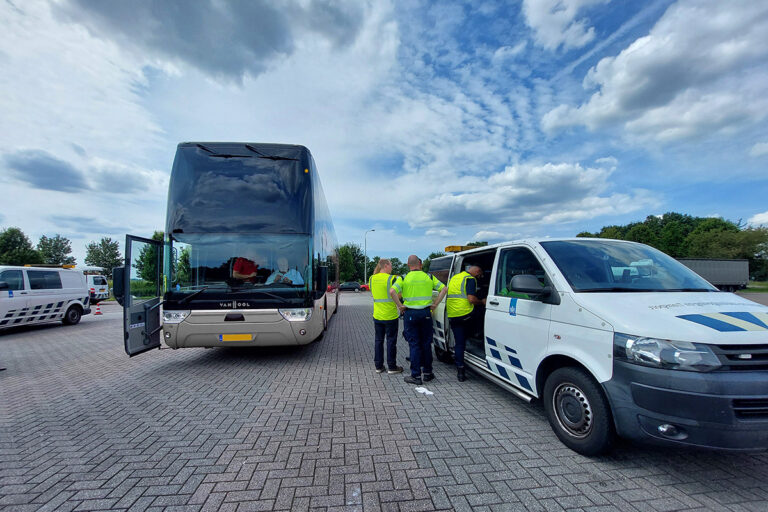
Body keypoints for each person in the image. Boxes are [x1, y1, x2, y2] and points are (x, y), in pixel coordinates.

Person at [390, 255, 447, 385]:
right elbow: (444, 289)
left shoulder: (403, 278)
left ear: (408, 265)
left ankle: (415, 376)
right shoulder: (429, 277)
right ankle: (428, 373)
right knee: (426, 344)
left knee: (414, 344)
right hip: (426, 312)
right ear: (420, 264)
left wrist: (400, 306)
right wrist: (435, 304)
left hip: (410, 314)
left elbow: (392, 291)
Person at [446, 265, 485, 382]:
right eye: (480, 275)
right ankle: (478, 337)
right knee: (481, 313)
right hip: (466, 314)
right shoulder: (470, 279)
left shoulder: (455, 277)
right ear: (477, 271)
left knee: (459, 343)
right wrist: (482, 301)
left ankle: (460, 371)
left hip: (453, 314)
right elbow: (471, 299)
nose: (479, 277)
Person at [369, 259, 404, 375]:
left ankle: (378, 366)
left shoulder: (371, 278)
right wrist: (400, 306)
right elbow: (398, 294)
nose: (392, 268)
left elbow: (373, 294)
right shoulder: (393, 278)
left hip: (377, 315)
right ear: (386, 265)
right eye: (391, 265)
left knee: (378, 341)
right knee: (391, 341)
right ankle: (392, 367)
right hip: (390, 316)